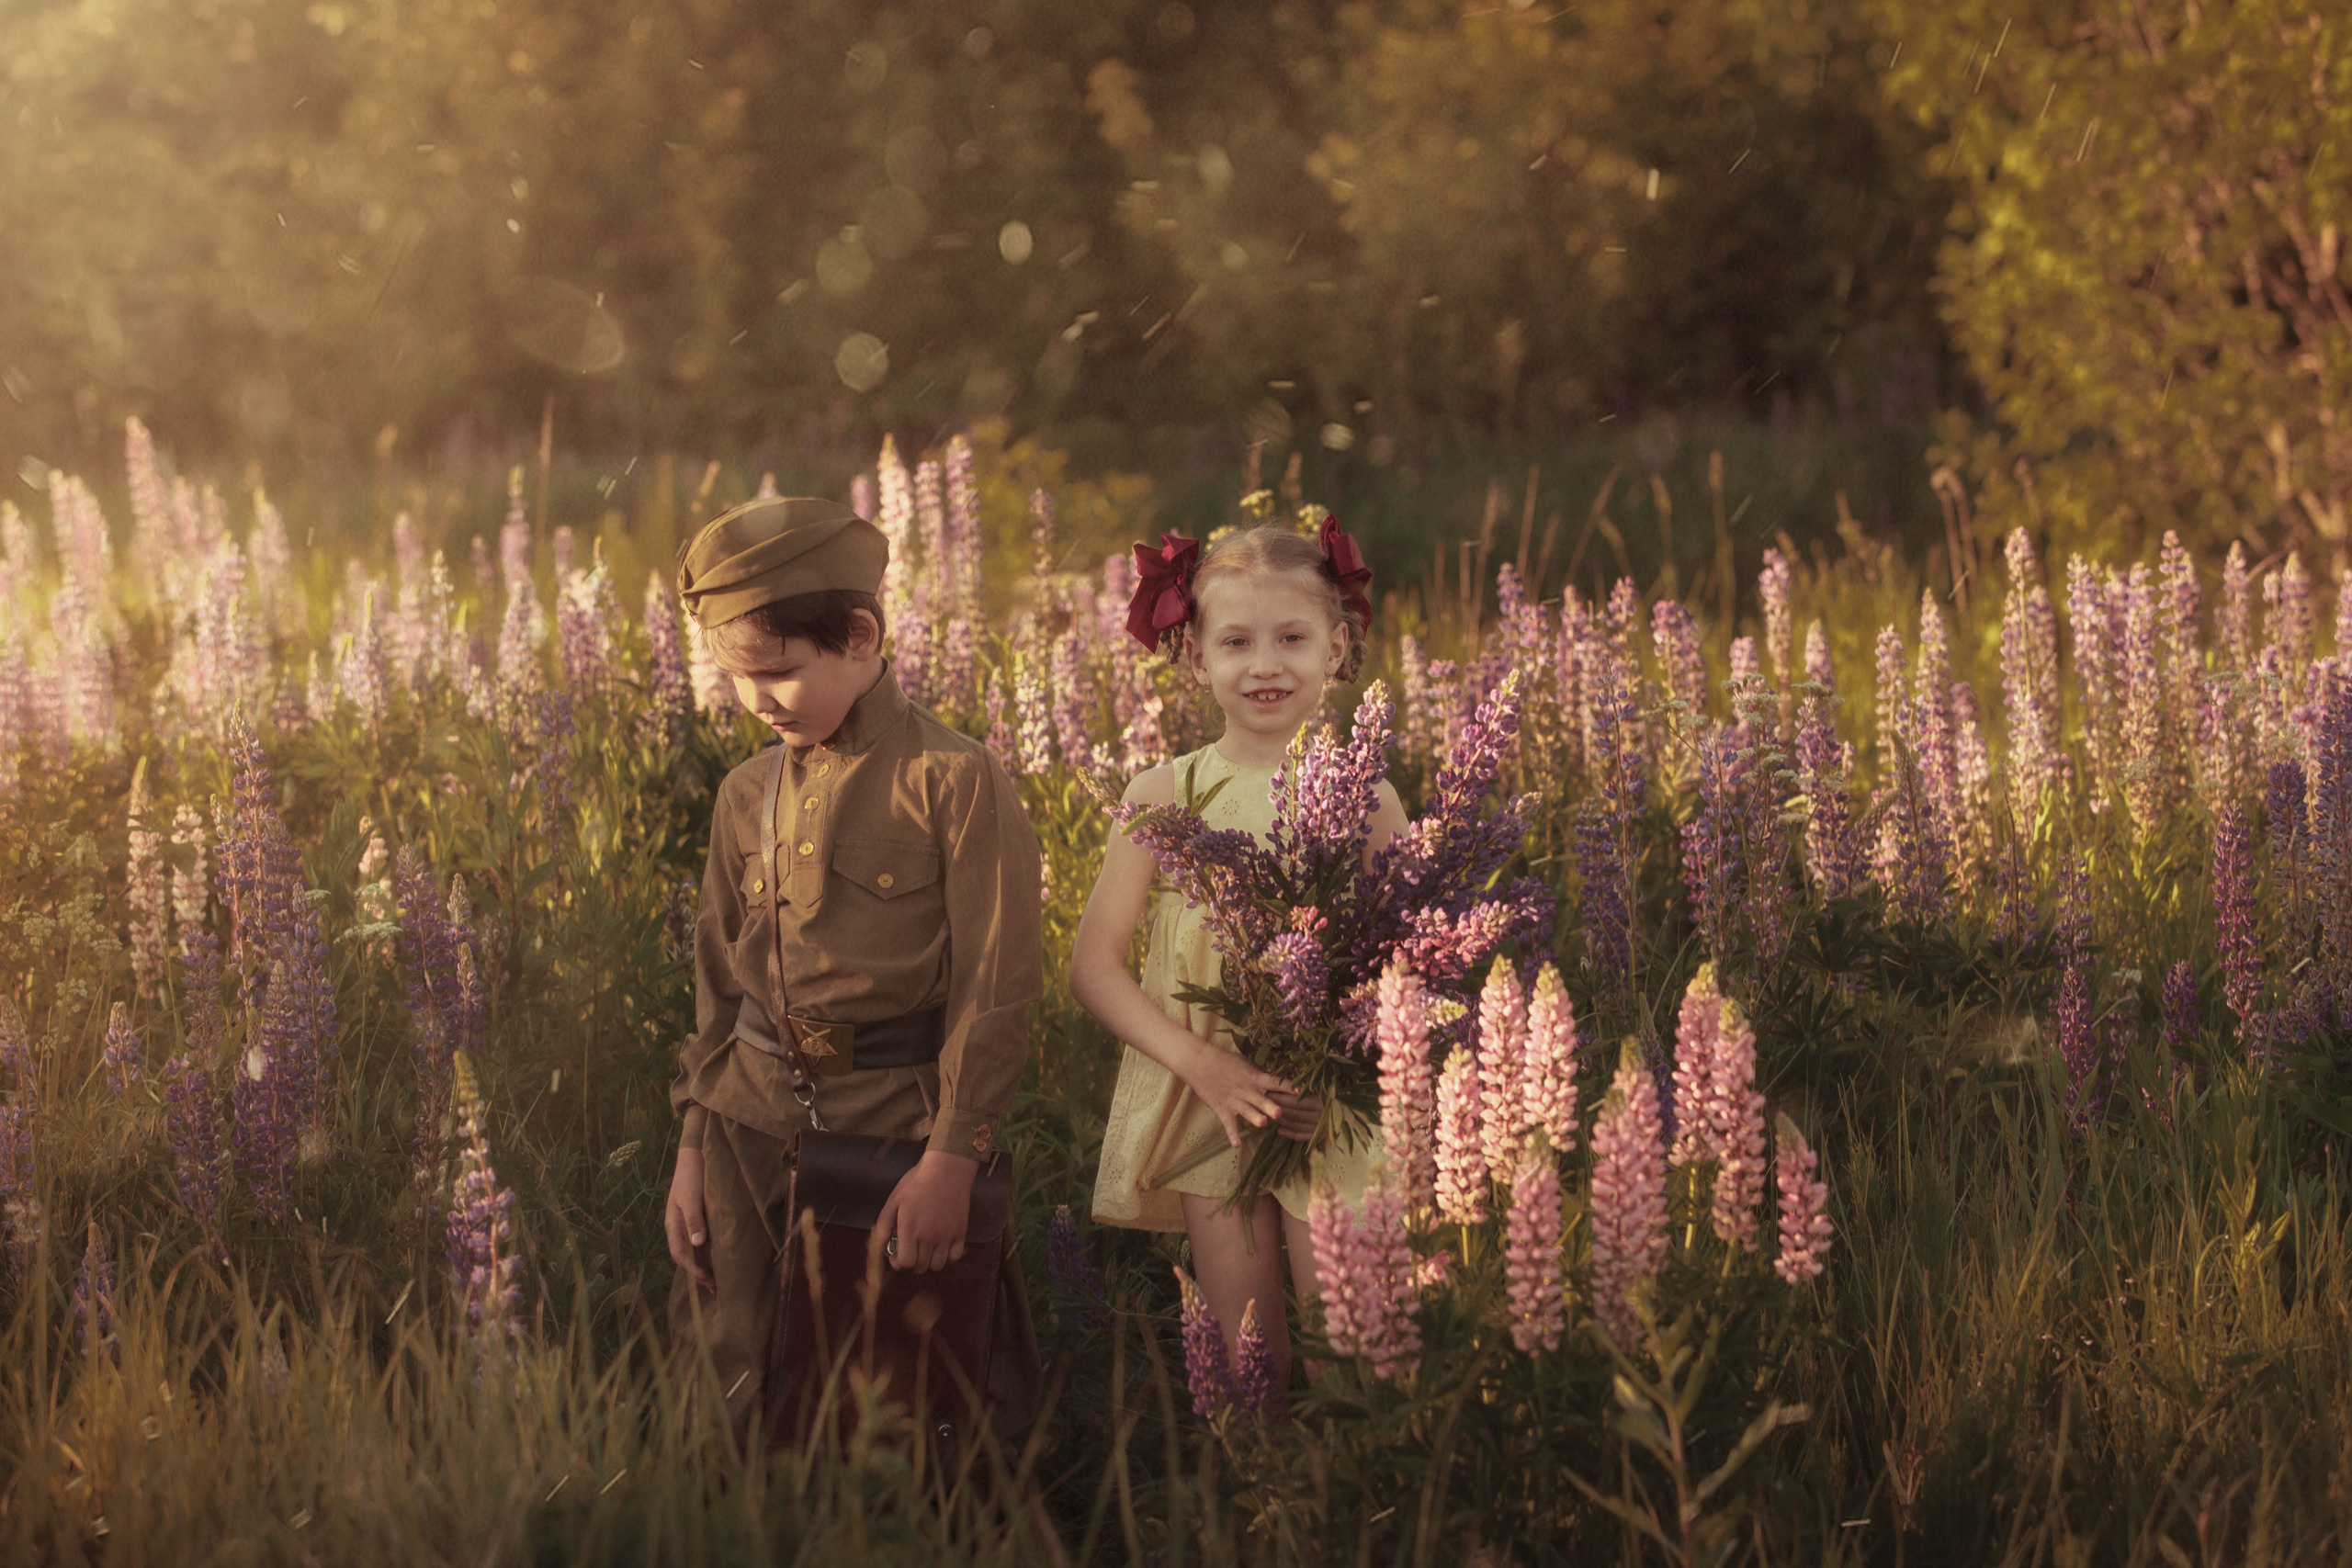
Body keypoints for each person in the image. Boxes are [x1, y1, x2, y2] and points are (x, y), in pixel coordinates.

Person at [662, 494, 1044, 1450]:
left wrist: (951, 1158)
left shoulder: (954, 780)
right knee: (731, 1369)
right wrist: (691, 1147)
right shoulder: (743, 791)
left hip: (896, 1130)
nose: (756, 701)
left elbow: (994, 989)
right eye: (737, 679)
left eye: (780, 674)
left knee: (907, 1387)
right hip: (748, 1118)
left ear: (862, 635)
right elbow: (719, 986)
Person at [1074, 519, 1407, 1393]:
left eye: (1293, 638)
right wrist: (1206, 1067)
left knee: (1356, 1350)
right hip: (1206, 1101)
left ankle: (1363, 1515)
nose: (1266, 664)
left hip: (1330, 1108)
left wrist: (1338, 1067)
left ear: (1338, 647)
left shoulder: (1368, 796)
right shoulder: (1163, 793)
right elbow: (1094, 968)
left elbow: (1410, 966)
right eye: (1237, 641)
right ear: (1193, 656)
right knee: (1249, 1355)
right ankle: (1260, 1514)